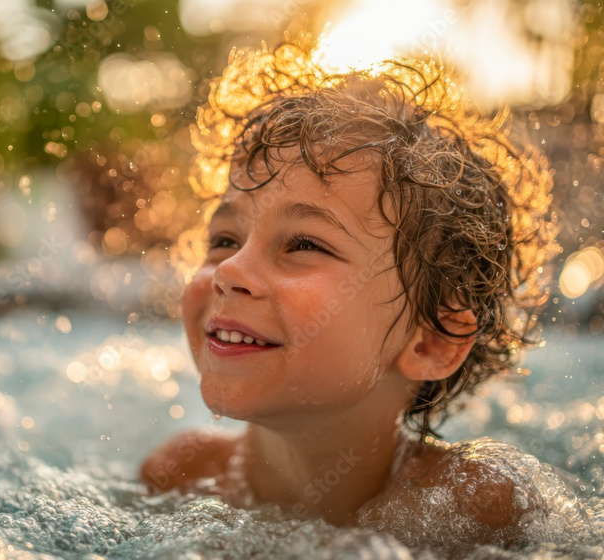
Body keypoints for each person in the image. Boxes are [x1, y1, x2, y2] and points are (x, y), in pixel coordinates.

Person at [140, 41, 563, 555]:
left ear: (430, 342)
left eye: (303, 244)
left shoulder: (471, 508)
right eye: (225, 239)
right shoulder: (182, 475)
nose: (229, 271)